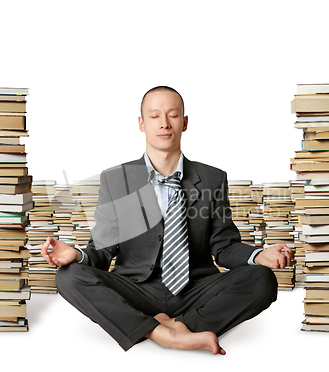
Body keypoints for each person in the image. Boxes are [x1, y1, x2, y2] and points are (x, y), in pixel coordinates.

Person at [41, 86, 294, 355]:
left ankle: (178, 325)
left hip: (195, 289)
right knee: (68, 276)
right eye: (154, 116)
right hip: (137, 289)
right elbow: (102, 251)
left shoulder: (212, 179)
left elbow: (224, 247)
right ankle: (164, 333)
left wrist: (258, 256)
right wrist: (76, 255)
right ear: (141, 123)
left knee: (263, 280)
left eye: (173, 115)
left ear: (184, 123)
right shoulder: (117, 180)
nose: (164, 123)